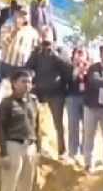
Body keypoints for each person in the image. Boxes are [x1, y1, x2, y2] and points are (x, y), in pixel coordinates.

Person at [0, 68, 40, 191]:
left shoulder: (33, 102)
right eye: (23, 81)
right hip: (13, 144)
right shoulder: (7, 103)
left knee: (26, 185)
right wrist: (4, 152)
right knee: (10, 184)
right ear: (14, 83)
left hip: (30, 146)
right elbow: (0, 128)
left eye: (29, 82)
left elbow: (36, 125)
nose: (27, 85)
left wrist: (38, 147)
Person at [25, 25, 70, 158]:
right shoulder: (37, 51)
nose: (45, 40)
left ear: (52, 37)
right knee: (35, 121)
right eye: (43, 36)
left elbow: (68, 68)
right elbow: (27, 67)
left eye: (47, 37)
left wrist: (55, 55)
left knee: (58, 124)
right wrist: (31, 79)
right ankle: (37, 148)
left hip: (56, 92)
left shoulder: (60, 50)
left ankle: (62, 151)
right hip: (39, 91)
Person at [0, 9, 38, 87]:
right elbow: (2, 44)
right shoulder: (7, 27)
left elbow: (33, 49)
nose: (22, 17)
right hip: (6, 65)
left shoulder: (33, 32)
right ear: (15, 15)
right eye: (20, 15)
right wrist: (15, 31)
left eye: (25, 15)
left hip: (21, 67)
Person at [66, 47, 90, 162]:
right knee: (73, 125)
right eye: (78, 53)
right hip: (72, 97)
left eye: (82, 53)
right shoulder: (68, 67)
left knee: (87, 126)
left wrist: (85, 70)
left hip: (87, 98)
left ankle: (85, 152)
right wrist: (76, 69)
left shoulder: (90, 67)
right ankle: (73, 152)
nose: (80, 55)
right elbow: (67, 80)